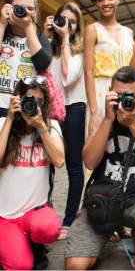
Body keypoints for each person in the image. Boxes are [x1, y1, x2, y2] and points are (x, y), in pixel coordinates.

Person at [65, 66, 135, 270]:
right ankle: (106, 231)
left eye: (128, 96)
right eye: (118, 95)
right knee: (75, 266)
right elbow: (89, 162)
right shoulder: (100, 118)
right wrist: (107, 120)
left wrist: (134, 124)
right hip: (102, 199)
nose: (123, 101)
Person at [0, 76, 64, 270]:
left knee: (49, 228)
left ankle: (34, 245)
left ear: (44, 106)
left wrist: (41, 127)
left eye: (38, 101)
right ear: (18, 99)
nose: (32, 105)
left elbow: (59, 161)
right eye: (29, 99)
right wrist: (10, 119)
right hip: (6, 216)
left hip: (34, 213)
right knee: (20, 266)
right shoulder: (4, 122)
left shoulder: (50, 127)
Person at [44, 2, 86, 239]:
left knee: (73, 166)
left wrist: (64, 40)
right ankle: (46, 215)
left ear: (77, 26)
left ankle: (69, 220)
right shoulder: (47, 46)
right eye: (63, 19)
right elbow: (35, 69)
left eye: (72, 22)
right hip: (48, 111)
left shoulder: (78, 49)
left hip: (73, 110)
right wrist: (44, 35)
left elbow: (68, 77)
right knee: (46, 165)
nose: (66, 25)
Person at [84, 0, 134, 136]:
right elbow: (88, 72)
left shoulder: (128, 32)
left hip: (126, 93)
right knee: (98, 147)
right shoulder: (92, 30)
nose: (106, 3)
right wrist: (93, 111)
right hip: (100, 95)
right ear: (95, 3)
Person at [0, 0, 52, 118]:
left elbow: (42, 64)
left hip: (26, 107)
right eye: (20, 7)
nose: (26, 12)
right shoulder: (1, 30)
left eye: (30, 9)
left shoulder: (40, 38)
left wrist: (28, 26)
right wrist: (2, 24)